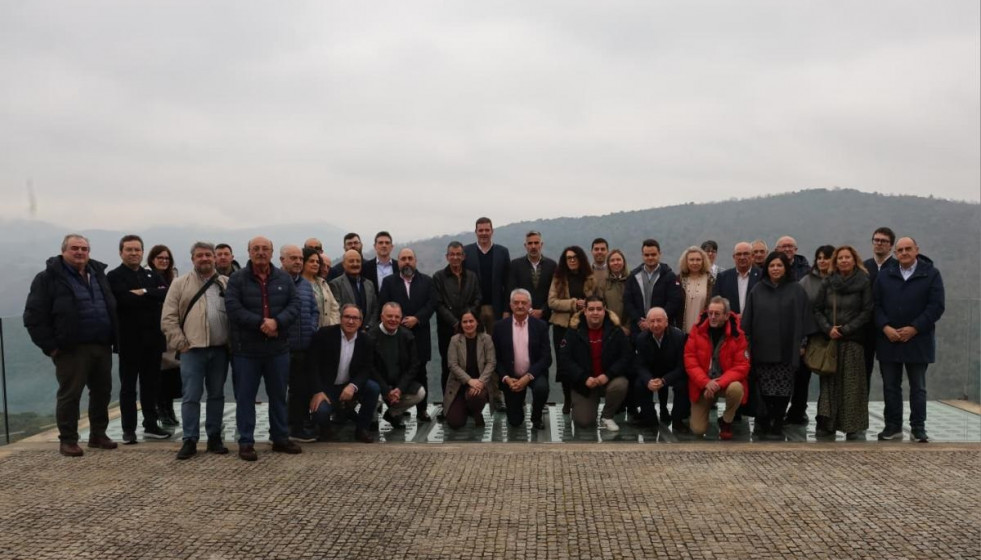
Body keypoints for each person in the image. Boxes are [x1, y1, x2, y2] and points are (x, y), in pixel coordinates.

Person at [24, 234, 119, 457]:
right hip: (70, 348)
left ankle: (98, 435)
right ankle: (68, 440)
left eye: (84, 249)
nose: (80, 252)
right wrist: (51, 347)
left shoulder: (98, 274)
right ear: (63, 251)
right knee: (70, 394)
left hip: (101, 344)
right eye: (75, 248)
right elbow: (33, 316)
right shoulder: (47, 278)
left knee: (102, 392)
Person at [225, 236, 302, 461]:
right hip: (246, 350)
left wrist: (277, 322)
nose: (261, 252)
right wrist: (262, 323)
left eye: (265, 248)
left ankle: (280, 438)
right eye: (256, 248)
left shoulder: (284, 278)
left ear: (272, 252)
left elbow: (295, 304)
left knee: (278, 396)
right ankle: (246, 442)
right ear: (249, 252)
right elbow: (233, 308)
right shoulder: (237, 279)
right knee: (245, 398)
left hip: (278, 349)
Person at [160, 242, 231, 459]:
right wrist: (180, 343)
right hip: (192, 350)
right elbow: (168, 318)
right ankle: (190, 439)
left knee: (217, 395)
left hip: (220, 350)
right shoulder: (179, 284)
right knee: (191, 396)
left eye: (208, 255)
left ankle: (214, 437)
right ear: (193, 259)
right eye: (199, 255)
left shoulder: (225, 283)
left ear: (214, 258)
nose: (204, 258)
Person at [874, 237, 945, 442]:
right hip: (889, 339)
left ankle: (918, 428)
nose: (904, 253)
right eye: (900, 250)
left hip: (918, 339)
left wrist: (914, 328)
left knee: (918, 387)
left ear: (916, 250)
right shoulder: (885, 275)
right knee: (890, 386)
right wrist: (885, 327)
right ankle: (893, 426)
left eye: (908, 249)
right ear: (895, 253)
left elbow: (936, 306)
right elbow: (875, 305)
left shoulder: (931, 274)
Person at [107, 235, 172, 443]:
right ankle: (128, 429)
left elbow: (166, 294)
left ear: (143, 252)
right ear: (121, 252)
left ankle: (151, 425)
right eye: (129, 249)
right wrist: (150, 296)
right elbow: (122, 300)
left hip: (153, 339)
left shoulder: (151, 275)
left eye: (137, 250)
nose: (134, 253)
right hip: (128, 340)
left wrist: (143, 292)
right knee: (128, 387)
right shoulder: (114, 276)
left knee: (150, 385)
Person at [740, 252, 811, 439]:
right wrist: (747, 346)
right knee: (764, 389)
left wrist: (803, 344)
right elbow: (747, 321)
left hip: (787, 349)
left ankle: (777, 422)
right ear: (767, 268)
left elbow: (805, 319)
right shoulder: (757, 290)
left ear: (786, 268)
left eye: (779, 265)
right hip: (762, 349)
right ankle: (763, 422)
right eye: (772, 265)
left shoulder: (796, 290)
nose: (775, 269)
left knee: (783, 389)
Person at [812, 245, 873, 440]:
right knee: (829, 384)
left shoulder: (864, 281)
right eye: (840, 258)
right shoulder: (828, 281)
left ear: (854, 260)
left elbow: (867, 311)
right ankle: (826, 424)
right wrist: (828, 328)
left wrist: (846, 329)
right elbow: (817, 309)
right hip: (831, 340)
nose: (844, 260)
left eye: (848, 257)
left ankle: (853, 426)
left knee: (852, 385)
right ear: (835, 262)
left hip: (853, 341)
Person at [307, 304, 383, 443]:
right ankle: (325, 430)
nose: (351, 321)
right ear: (340, 318)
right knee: (321, 412)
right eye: (347, 317)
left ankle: (362, 429)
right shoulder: (324, 334)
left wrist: (353, 386)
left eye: (355, 318)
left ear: (360, 322)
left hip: (349, 385)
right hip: (326, 388)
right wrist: (317, 391)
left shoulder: (366, 341)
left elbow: (366, 369)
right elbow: (312, 365)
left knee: (373, 388)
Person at [378, 248, 436, 421]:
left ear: (415, 261)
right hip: (396, 335)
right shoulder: (389, 282)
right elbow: (384, 304)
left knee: (421, 372)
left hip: (420, 334)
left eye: (410, 258)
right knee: (398, 372)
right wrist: (400, 320)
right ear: (398, 262)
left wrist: (417, 318)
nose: (407, 262)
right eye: (403, 258)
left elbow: (431, 304)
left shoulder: (427, 281)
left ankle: (422, 410)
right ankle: (398, 410)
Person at [559, 296, 631, 431]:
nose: (595, 312)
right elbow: (565, 359)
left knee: (621, 384)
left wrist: (608, 375)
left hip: (608, 380)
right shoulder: (573, 331)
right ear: (585, 311)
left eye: (599, 309)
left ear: (605, 310)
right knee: (584, 422)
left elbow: (626, 357)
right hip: (585, 383)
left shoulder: (616, 330)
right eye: (591, 309)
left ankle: (607, 416)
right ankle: (583, 406)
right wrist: (584, 378)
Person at [683, 296, 749, 440]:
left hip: (724, 383)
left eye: (717, 314)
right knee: (698, 430)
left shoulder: (738, 335)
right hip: (702, 385)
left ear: (726, 316)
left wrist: (718, 383)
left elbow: (742, 366)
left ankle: (726, 420)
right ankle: (704, 408)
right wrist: (706, 383)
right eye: (710, 313)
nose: (712, 317)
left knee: (737, 389)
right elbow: (690, 361)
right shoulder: (697, 330)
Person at [547, 245, 597, 412]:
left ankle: (581, 396)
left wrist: (587, 304)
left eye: (575, 257)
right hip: (562, 326)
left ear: (581, 259)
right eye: (569, 258)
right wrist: (573, 304)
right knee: (563, 363)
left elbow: (596, 300)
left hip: (583, 325)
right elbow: (552, 302)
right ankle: (567, 399)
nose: (572, 260)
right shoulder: (558, 278)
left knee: (582, 361)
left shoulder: (590, 278)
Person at [493, 289, 552, 429]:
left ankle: (536, 416)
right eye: (516, 302)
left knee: (542, 388)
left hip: (533, 374)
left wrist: (528, 376)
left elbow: (546, 358)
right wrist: (506, 378)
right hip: (511, 378)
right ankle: (517, 407)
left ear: (529, 305)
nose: (520, 306)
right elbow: (495, 358)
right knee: (515, 422)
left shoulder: (540, 326)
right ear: (510, 305)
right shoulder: (500, 327)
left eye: (524, 303)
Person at [280, 245, 322, 444]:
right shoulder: (275, 282)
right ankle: (278, 429)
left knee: (300, 391)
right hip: (281, 347)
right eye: (293, 258)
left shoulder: (305, 284)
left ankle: (296, 429)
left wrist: (311, 328)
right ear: (282, 260)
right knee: (279, 391)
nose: (297, 262)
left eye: (299, 258)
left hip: (304, 346)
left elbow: (314, 310)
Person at [433, 241, 481, 397]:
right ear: (447, 257)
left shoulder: (472, 276)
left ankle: (469, 400)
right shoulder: (438, 277)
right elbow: (438, 304)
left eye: (458, 254)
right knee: (448, 366)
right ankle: (448, 402)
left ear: (463, 256)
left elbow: (478, 298)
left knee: (470, 364)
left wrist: (467, 319)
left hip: (470, 329)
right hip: (447, 329)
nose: (455, 257)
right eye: (452, 254)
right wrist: (455, 322)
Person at [368, 302, 426, 429]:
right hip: (378, 383)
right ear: (382, 317)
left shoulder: (407, 336)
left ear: (401, 318)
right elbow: (370, 367)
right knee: (372, 391)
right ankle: (372, 418)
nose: (393, 320)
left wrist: (399, 389)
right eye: (389, 316)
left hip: (397, 384)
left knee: (420, 393)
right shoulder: (371, 336)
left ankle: (393, 413)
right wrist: (386, 390)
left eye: (397, 317)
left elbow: (414, 365)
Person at [633, 307, 689, 433]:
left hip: (672, 372)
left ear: (666, 322)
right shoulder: (641, 338)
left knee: (683, 385)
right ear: (647, 323)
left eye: (659, 320)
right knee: (639, 384)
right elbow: (640, 365)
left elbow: (682, 366)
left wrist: (664, 380)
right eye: (652, 321)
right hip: (652, 372)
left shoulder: (679, 337)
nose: (655, 324)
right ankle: (650, 419)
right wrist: (648, 380)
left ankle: (677, 420)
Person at [148, 244, 182, 428]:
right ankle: (160, 409)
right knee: (158, 374)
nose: (163, 261)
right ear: (152, 259)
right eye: (160, 258)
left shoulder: (173, 277)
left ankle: (168, 408)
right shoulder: (147, 276)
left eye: (166, 258)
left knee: (172, 373)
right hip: (154, 331)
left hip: (172, 331)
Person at [443, 310, 494, 429]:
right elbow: (452, 365)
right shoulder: (454, 340)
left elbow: (491, 363)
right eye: (465, 322)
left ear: (477, 322)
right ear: (461, 324)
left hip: (479, 386)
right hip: (459, 386)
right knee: (455, 423)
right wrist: (469, 381)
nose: (468, 324)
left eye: (471, 321)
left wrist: (480, 382)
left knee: (475, 396)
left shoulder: (486, 339)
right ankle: (465, 407)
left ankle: (476, 413)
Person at [863, 227, 898, 394]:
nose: (879, 243)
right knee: (863, 375)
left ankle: (891, 412)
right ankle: (860, 410)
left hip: (889, 329)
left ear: (891, 245)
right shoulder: (863, 267)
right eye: (876, 240)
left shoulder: (897, 267)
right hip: (865, 329)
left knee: (890, 379)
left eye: (883, 241)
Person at [623, 238, 682, 334]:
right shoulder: (633, 276)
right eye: (647, 255)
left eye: (653, 254)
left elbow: (674, 301)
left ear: (659, 254)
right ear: (642, 255)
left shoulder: (670, 276)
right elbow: (628, 301)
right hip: (639, 328)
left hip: (663, 329)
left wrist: (657, 320)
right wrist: (639, 320)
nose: (650, 257)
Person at [463, 217, 511, 332]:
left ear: (492, 231)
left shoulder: (502, 252)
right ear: (476, 232)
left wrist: (507, 309)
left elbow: (508, 282)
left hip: (496, 307)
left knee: (496, 340)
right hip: (473, 308)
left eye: (487, 230)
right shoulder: (466, 252)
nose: (484, 233)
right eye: (481, 230)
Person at [507, 230, 557, 323]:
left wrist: (543, 311)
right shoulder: (515, 265)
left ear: (541, 245)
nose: (533, 246)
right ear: (525, 245)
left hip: (544, 317)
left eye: (536, 243)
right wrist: (528, 309)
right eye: (530, 243)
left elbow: (554, 291)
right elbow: (512, 289)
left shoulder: (552, 265)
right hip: (521, 315)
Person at [329, 249, 379, 331]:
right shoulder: (335, 284)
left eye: (358, 261)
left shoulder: (369, 284)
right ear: (343, 264)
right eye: (351, 261)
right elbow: (337, 310)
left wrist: (369, 326)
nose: (355, 264)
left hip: (366, 332)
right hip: (346, 331)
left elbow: (375, 308)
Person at [712, 242, 760, 315]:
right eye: (738, 254)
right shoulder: (722, 277)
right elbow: (716, 302)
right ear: (734, 257)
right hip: (730, 320)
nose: (742, 257)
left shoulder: (761, 276)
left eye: (746, 254)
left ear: (752, 256)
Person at [678, 246, 715, 334]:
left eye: (698, 260)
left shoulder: (711, 281)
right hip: (681, 331)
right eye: (691, 260)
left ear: (703, 261)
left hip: (704, 330)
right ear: (686, 262)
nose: (695, 263)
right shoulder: (678, 280)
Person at [301, 248, 340, 327]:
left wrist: (332, 326)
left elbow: (334, 307)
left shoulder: (323, 283)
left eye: (318, 262)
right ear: (303, 262)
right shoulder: (296, 283)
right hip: (306, 329)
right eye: (311, 261)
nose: (315, 264)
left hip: (326, 330)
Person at [598, 249, 631, 335]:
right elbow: (601, 307)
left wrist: (628, 327)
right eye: (612, 260)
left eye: (618, 260)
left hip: (630, 329)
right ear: (608, 264)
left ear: (623, 262)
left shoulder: (631, 281)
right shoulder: (603, 284)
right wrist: (614, 326)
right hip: (610, 328)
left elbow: (635, 306)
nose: (616, 263)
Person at [362, 231, 395, 295]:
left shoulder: (399, 266)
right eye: (380, 243)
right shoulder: (365, 267)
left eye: (387, 243)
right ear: (375, 246)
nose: (384, 245)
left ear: (392, 247)